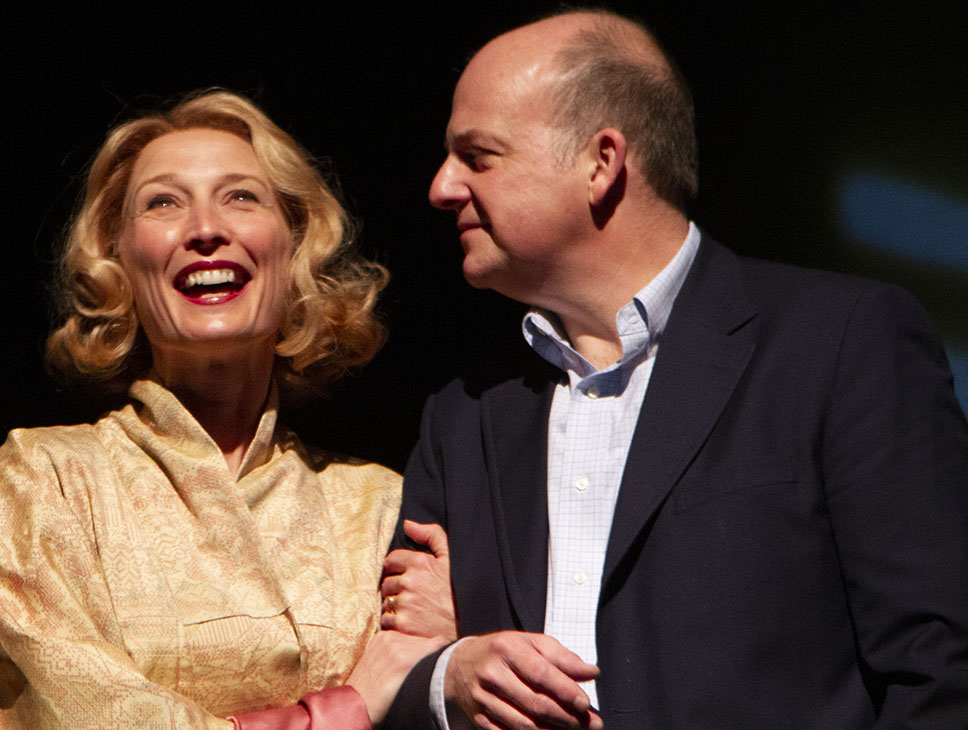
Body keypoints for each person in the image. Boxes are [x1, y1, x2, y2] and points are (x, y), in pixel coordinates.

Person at [380, 8, 968, 730]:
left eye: (478, 155)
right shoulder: (464, 412)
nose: (441, 186)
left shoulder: (838, 343)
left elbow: (940, 666)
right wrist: (449, 675)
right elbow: (393, 677)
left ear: (601, 162)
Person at [0, 90, 445, 729]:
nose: (206, 229)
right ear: (119, 262)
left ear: (294, 250)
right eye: (163, 203)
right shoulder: (48, 482)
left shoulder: (379, 508)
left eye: (241, 196)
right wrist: (341, 710)